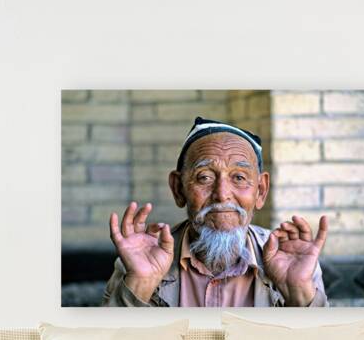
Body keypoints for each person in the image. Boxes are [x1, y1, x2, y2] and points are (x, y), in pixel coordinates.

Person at [102, 117, 329, 307]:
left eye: (239, 178)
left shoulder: (293, 261)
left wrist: (298, 291)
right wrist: (140, 283)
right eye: (204, 177)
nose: (221, 194)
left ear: (260, 191)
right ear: (178, 189)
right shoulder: (141, 260)